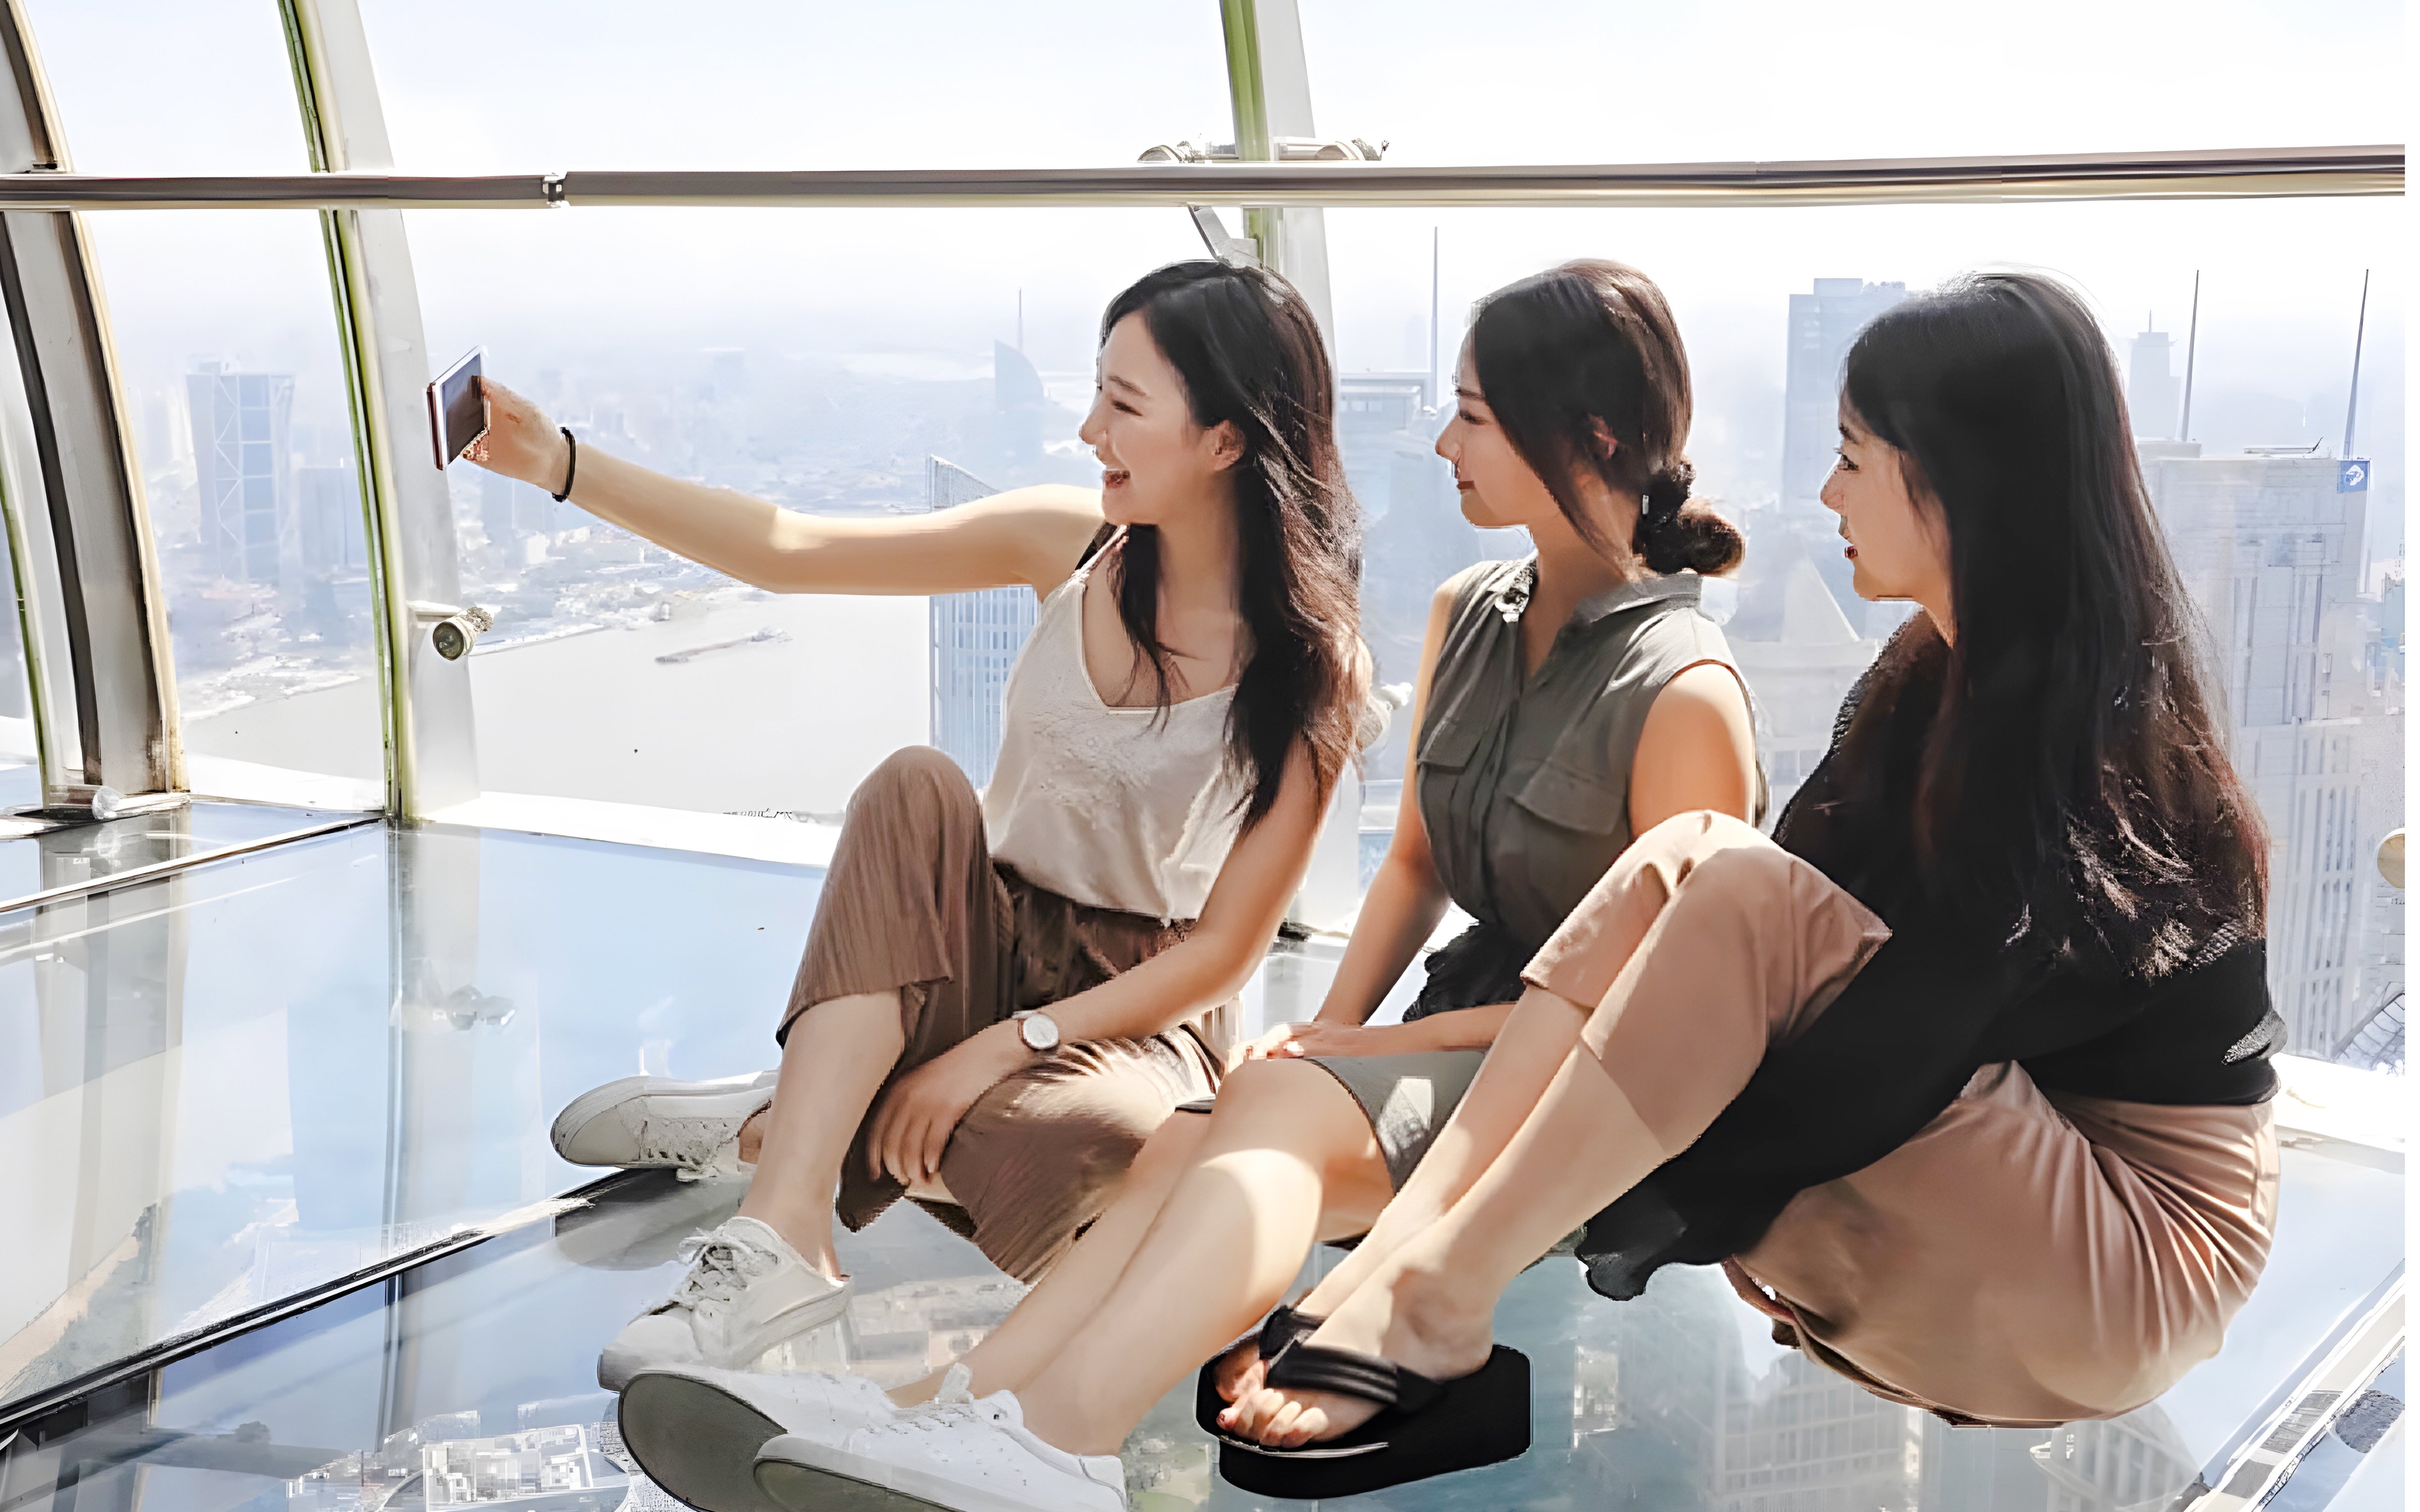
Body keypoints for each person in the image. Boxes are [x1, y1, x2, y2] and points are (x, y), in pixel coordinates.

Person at [628, 260, 1765, 1512]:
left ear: (1590, 436)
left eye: (1475, 416)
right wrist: (1340, 1028)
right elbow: (1412, 865)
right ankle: (964, 1417)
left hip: (1575, 1082)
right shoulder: (1472, 611)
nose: (1443, 440)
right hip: (1438, 1037)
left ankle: (1048, 1425)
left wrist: (1357, 1048)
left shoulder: (1685, 692)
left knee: (1235, 1126)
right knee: (1203, 1128)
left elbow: (1659, 1011)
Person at [1200, 269, 2281, 1472]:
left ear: (1961, 482)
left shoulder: (2085, 727)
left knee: (1722, 874)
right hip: (1996, 1190)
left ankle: (1444, 1294)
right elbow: (1734, 940)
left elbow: (1899, 1040)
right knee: (1686, 862)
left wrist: (1679, 1212)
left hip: (2128, 1259)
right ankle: (1409, 1264)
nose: (1827, 492)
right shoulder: (1932, 678)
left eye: (1855, 457)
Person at [467, 260, 1369, 1392]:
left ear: (1228, 440)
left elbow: (1226, 955)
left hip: (1133, 1012)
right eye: (1095, 393)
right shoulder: (1073, 545)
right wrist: (560, 462)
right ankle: (786, 1224)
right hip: (964, 941)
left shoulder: (1311, 667)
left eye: (1125, 406)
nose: (1090, 430)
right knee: (914, 783)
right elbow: (792, 551)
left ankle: (790, 1109)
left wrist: (1014, 1045)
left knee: (1096, 1149)